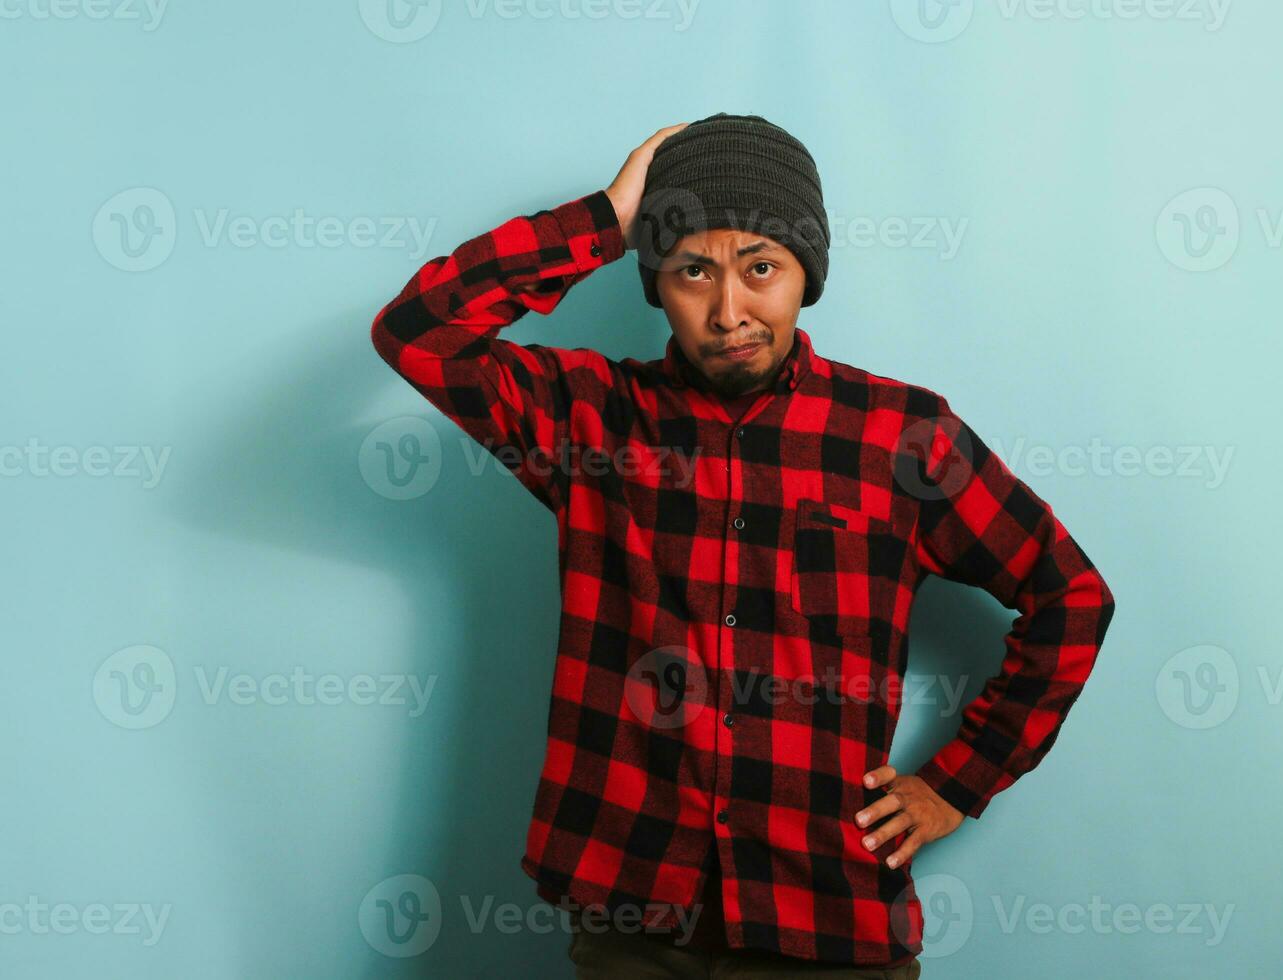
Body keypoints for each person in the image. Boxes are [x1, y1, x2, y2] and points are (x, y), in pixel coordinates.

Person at [370, 112, 1117, 978]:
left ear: (806, 274)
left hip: (827, 921)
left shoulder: (903, 438)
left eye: (761, 268)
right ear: (659, 282)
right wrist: (607, 223)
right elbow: (417, 332)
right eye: (694, 270)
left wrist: (958, 784)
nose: (730, 310)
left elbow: (1072, 596)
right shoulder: (588, 420)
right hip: (633, 921)